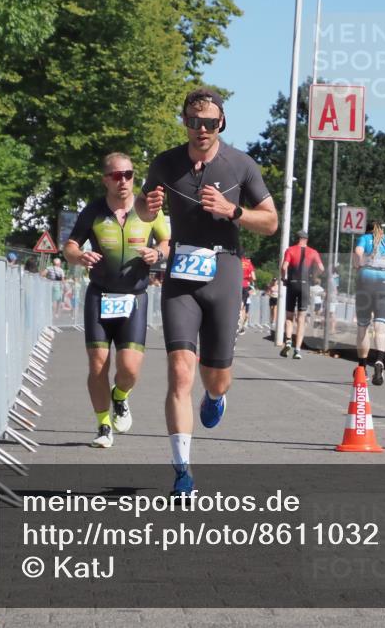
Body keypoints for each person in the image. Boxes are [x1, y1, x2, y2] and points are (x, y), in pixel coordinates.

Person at [135, 87, 278, 495]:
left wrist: (232, 211)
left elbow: (271, 222)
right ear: (184, 121)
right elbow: (146, 211)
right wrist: (151, 204)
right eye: (194, 122)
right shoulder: (166, 163)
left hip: (224, 270)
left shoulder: (241, 165)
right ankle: (182, 471)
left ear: (222, 124)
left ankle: (216, 396)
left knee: (216, 378)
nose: (201, 130)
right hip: (180, 272)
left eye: (210, 123)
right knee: (180, 371)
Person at [64, 152, 170, 449]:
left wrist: (158, 254)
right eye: (115, 175)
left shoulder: (149, 210)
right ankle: (103, 424)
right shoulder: (93, 211)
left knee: (130, 369)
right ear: (105, 180)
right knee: (98, 364)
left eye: (128, 174)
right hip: (100, 295)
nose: (122, 180)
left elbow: (167, 242)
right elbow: (69, 246)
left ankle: (120, 396)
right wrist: (79, 256)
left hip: (134, 298)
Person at [352, 220, 385, 386]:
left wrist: (358, 264)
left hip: (365, 282)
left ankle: (362, 367)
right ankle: (380, 361)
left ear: (368, 230)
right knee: (380, 326)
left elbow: (358, 251)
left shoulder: (365, 238)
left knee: (363, 327)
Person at [280, 230, 325, 360]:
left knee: (289, 316)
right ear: (307, 239)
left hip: (292, 284)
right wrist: (314, 276)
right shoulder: (313, 252)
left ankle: (288, 340)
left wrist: (284, 279)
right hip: (305, 285)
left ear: (297, 238)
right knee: (301, 319)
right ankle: (298, 350)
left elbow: (284, 267)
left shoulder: (290, 250)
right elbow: (321, 268)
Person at [239, 254, 256, 335]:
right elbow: (254, 277)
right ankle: (241, 327)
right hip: (245, 285)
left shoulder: (236, 261)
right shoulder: (248, 263)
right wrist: (248, 278)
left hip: (235, 285)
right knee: (242, 308)